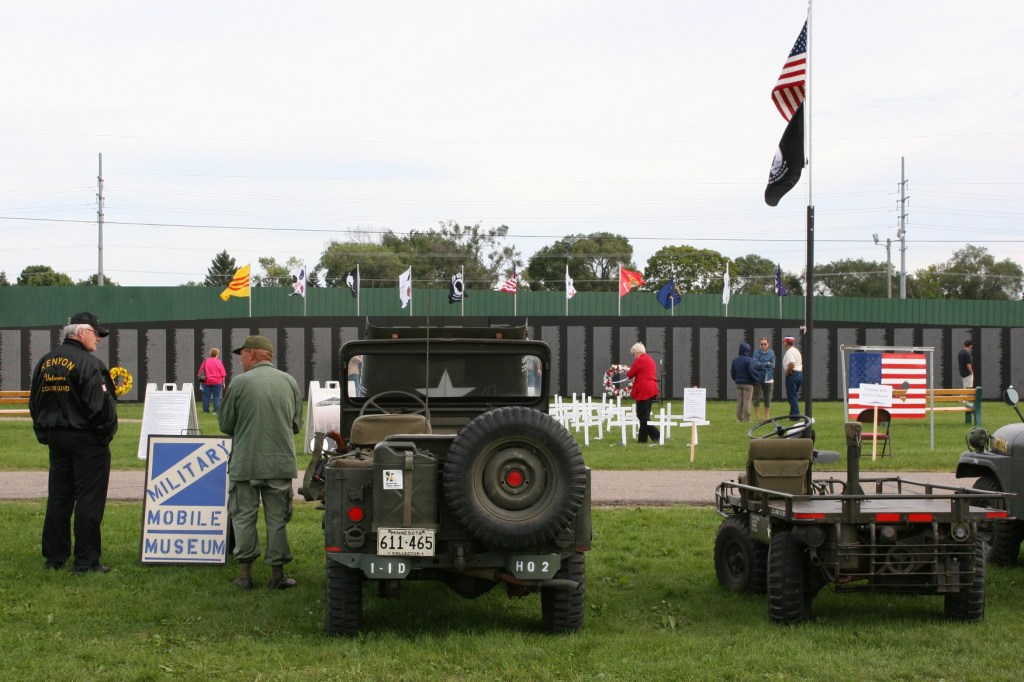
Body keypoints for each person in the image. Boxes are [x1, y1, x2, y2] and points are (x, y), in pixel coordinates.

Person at [29, 312, 119, 574]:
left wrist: (46, 433)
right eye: (96, 334)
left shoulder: (45, 362)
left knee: (59, 498)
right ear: (81, 332)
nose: (99, 340)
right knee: (89, 500)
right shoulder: (90, 364)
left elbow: (35, 402)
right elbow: (100, 407)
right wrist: (105, 435)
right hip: (87, 440)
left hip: (57, 439)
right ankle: (86, 561)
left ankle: (55, 558)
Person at [218, 335, 303, 590]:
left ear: (252, 354)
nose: (240, 360)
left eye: (242, 354)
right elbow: (296, 424)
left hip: (245, 463)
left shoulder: (239, 383)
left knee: (243, 517)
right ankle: (277, 576)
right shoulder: (289, 382)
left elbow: (225, 425)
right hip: (279, 462)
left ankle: (244, 576)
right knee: (277, 520)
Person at [626, 342, 661, 445]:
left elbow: (630, 374)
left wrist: (628, 372)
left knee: (642, 415)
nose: (634, 356)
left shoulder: (640, 360)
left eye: (634, 354)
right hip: (651, 389)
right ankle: (642, 440)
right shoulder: (649, 359)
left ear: (637, 352)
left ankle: (657, 435)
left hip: (644, 390)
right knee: (644, 414)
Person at [730, 342, 759, 422]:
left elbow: (732, 372)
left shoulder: (735, 360)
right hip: (748, 384)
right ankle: (747, 418)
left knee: (740, 401)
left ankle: (739, 418)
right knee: (747, 400)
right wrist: (756, 378)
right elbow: (752, 371)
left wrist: (736, 379)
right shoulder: (749, 360)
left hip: (738, 383)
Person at [751, 337, 776, 422]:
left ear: (768, 344)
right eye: (762, 344)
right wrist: (766, 363)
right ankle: (758, 417)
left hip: (769, 379)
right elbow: (755, 364)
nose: (763, 345)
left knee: (767, 398)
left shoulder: (771, 353)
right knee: (756, 398)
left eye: (765, 344)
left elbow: (773, 365)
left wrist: (761, 363)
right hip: (758, 378)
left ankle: (767, 417)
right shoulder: (756, 353)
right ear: (760, 344)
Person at [197, 347, 227, 414]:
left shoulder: (205, 361)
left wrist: (202, 380)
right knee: (216, 396)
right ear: (216, 354)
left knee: (206, 396)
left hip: (207, 382)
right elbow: (223, 374)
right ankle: (215, 411)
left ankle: (205, 411)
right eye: (218, 354)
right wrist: (223, 383)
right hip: (217, 382)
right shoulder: (219, 362)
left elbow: (200, 372)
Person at [782, 336, 804, 416]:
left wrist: (787, 372)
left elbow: (792, 363)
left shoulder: (789, 352)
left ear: (786, 343)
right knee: (794, 395)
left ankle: (796, 416)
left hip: (792, 374)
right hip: (799, 374)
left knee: (792, 396)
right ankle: (792, 415)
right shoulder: (797, 351)